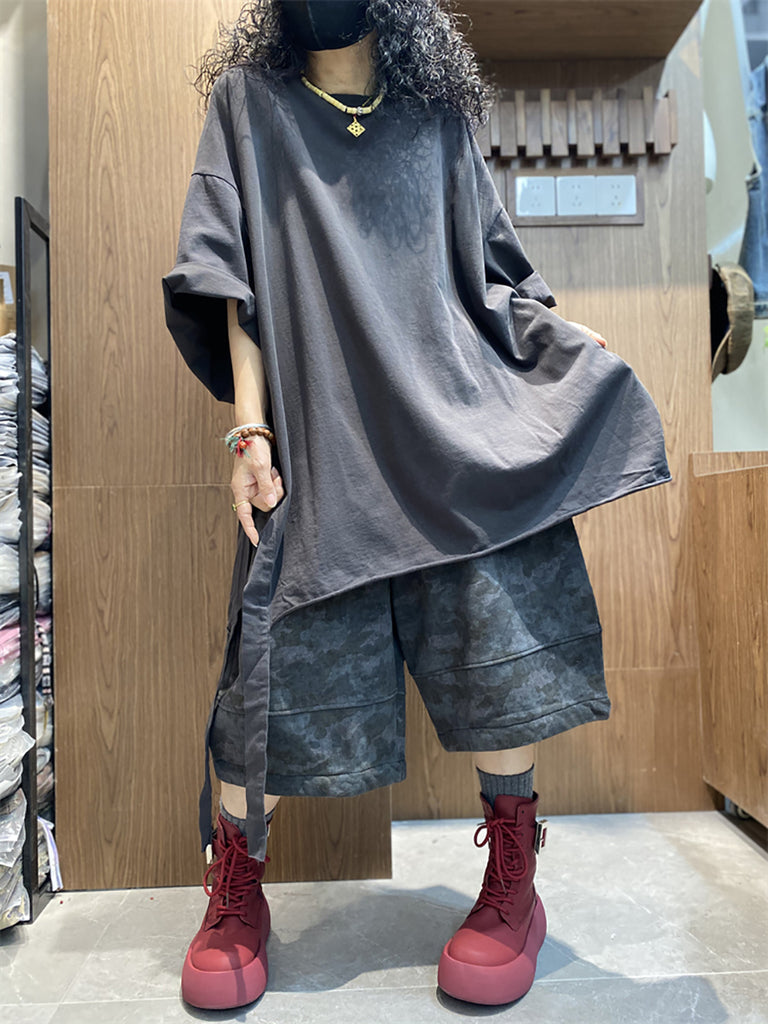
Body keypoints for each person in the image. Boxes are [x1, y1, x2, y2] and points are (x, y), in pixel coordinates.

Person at [162, 0, 671, 1011]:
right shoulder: (248, 104)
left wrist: (561, 348)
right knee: (270, 674)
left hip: (453, 432)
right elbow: (232, 277)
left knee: (496, 648)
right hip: (323, 447)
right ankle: (236, 890)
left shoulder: (436, 118)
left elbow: (493, 275)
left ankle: (513, 882)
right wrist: (251, 433)